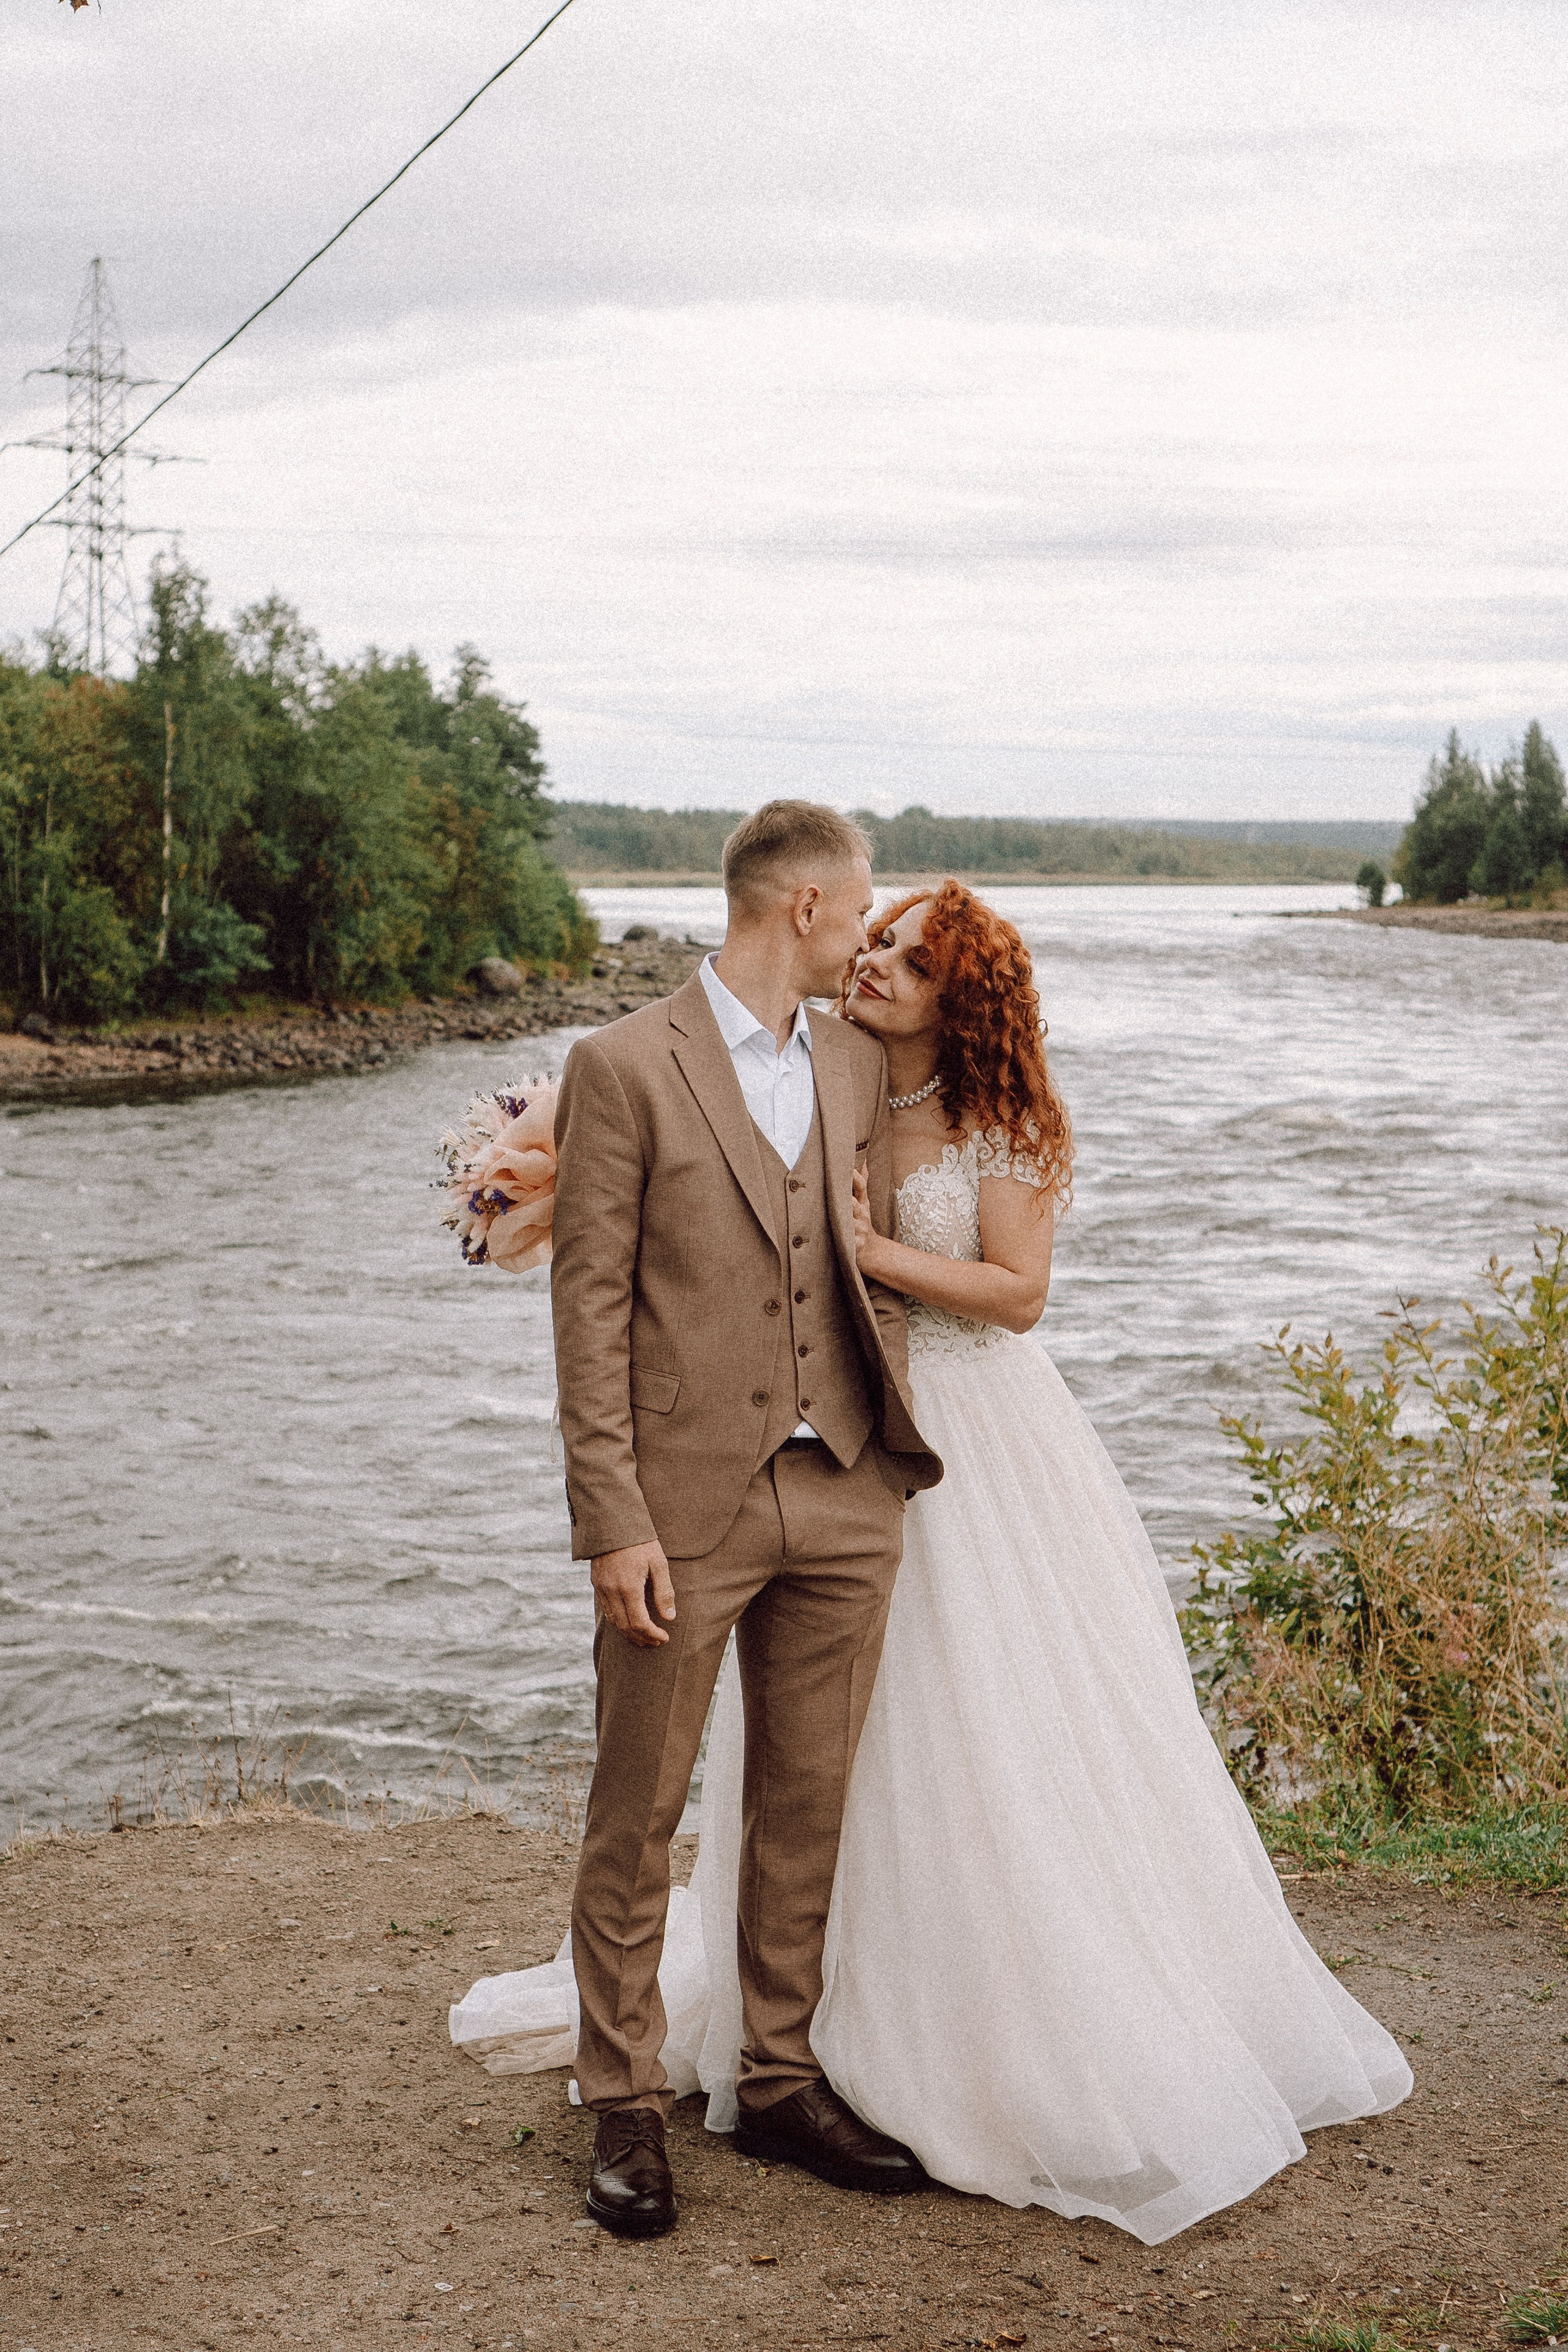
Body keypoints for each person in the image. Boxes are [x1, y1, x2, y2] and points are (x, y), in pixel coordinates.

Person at [450, 875, 1413, 2248]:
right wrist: (534, 1175)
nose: (878, 963)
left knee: (977, 1743)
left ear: (960, 994)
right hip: (802, 1453)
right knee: (790, 1766)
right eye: (875, 938)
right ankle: (759, 2059)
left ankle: (958, 2035)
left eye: (906, 954)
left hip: (973, 1449)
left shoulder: (1005, 1116)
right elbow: (676, 1153)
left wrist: (869, 1250)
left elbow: (1016, 1296)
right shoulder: (814, 1065)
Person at [543, 801, 943, 2237]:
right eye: (860, 911)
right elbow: (585, 1304)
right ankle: (625, 2102)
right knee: (635, 1812)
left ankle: (777, 2081)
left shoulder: (853, 1058)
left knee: (806, 1800)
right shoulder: (620, 1064)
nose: (867, 932)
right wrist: (612, 1518)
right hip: (681, 1506)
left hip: (842, 1486)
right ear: (803, 912)